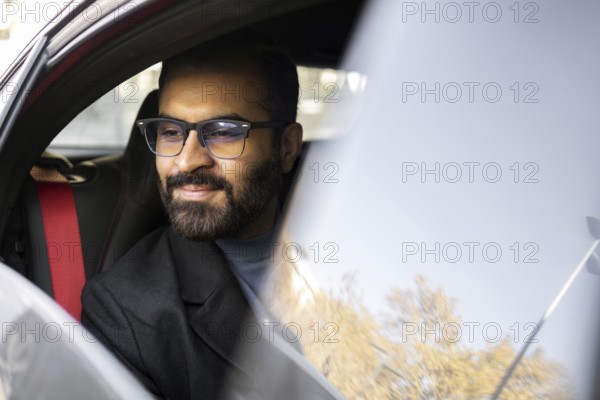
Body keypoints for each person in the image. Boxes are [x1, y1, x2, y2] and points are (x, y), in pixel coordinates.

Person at [81, 30, 303, 399]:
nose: (186, 160)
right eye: (171, 131)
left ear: (287, 148)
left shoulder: (350, 237)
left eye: (223, 132)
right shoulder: (125, 313)